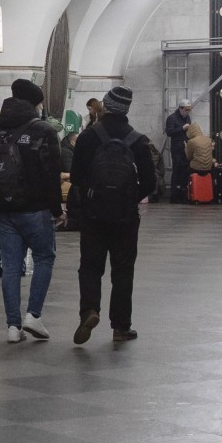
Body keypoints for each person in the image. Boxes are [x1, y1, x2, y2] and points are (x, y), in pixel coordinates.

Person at [0, 79, 64, 343]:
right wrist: (57, 208)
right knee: (43, 258)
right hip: (35, 209)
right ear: (35, 103)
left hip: (3, 210)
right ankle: (33, 315)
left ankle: (13, 327)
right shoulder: (43, 131)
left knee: (11, 267)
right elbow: (51, 174)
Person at [69, 85, 153, 346]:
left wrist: (92, 197)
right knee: (123, 270)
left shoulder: (87, 137)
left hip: (93, 215)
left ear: (105, 105)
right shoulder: (138, 140)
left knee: (91, 266)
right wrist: (128, 198)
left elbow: (76, 177)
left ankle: (90, 311)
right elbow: (150, 182)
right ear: (127, 109)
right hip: (125, 218)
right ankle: (120, 327)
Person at [163, 101, 194, 203]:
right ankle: (174, 196)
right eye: (186, 110)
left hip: (186, 149)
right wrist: (182, 128)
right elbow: (169, 132)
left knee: (185, 172)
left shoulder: (187, 118)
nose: (188, 112)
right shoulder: (172, 118)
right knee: (176, 172)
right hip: (177, 149)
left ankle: (183, 195)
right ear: (181, 108)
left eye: (189, 110)